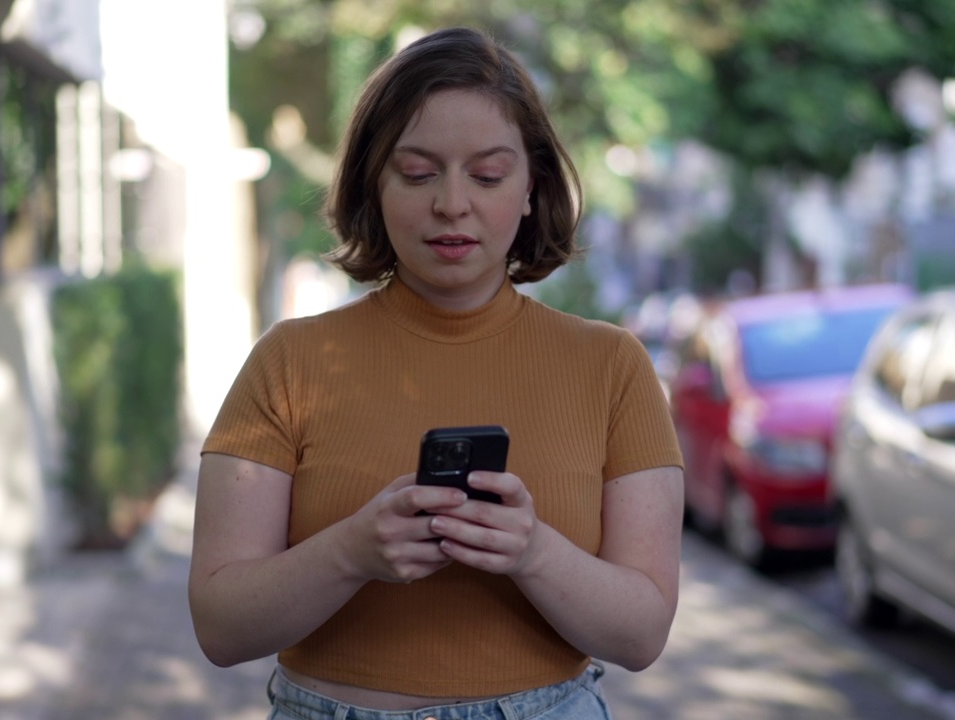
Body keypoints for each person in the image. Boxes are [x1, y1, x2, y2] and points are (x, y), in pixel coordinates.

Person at [188, 25, 684, 720]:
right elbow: (218, 623)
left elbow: (642, 633)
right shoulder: (288, 361)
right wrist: (353, 551)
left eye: (487, 174)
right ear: (373, 183)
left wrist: (532, 551)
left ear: (532, 186)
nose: (453, 203)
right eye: (418, 173)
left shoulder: (613, 366)